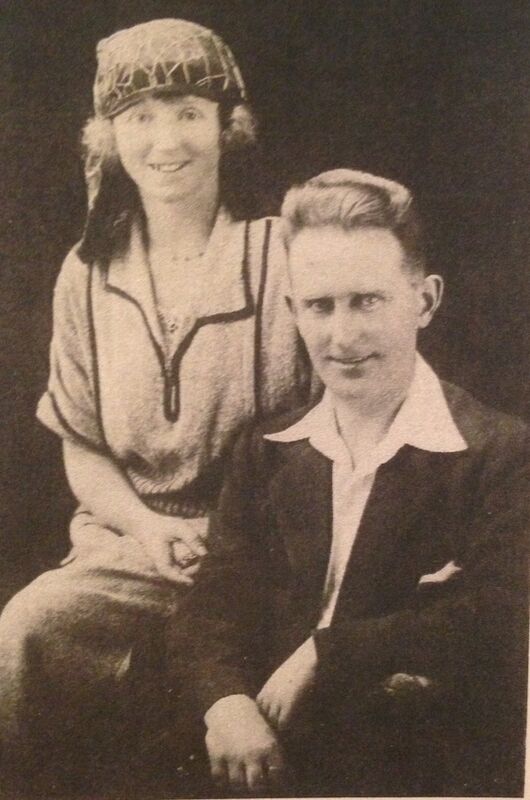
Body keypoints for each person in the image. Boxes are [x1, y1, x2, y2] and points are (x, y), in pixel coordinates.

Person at [0, 18, 311, 793]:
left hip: (268, 557)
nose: (164, 140)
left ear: (227, 128)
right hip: (132, 551)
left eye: (187, 113)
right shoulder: (86, 273)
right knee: (24, 636)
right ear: (108, 136)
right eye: (139, 117)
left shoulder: (281, 255)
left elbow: (332, 426)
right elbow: (83, 443)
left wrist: (234, 532)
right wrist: (147, 525)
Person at [172, 169, 529, 797]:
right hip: (261, 757)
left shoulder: (500, 454)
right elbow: (215, 604)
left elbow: (502, 618)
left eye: (368, 301)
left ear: (425, 300)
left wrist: (325, 653)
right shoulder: (266, 449)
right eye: (320, 305)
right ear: (292, 312)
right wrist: (225, 703)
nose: (342, 337)